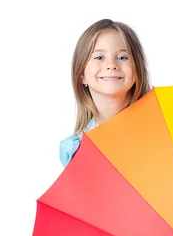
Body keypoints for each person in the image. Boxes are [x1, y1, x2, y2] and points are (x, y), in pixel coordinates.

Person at [59, 19, 151, 167]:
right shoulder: (76, 149)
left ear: (137, 71)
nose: (111, 65)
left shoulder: (160, 128)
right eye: (99, 57)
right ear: (81, 75)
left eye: (122, 57)